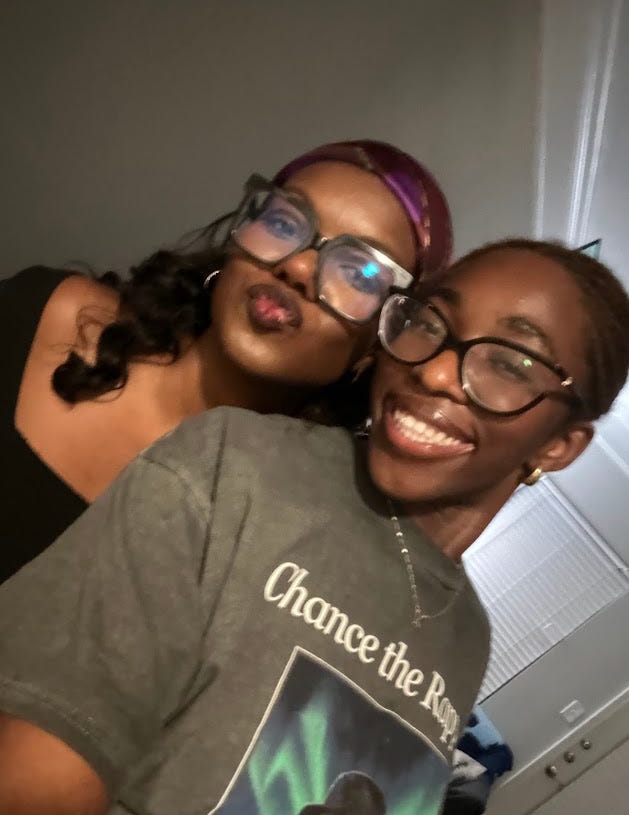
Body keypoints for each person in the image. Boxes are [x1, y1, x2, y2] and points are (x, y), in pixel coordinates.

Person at [1, 238, 627, 815]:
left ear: (558, 445)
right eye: (431, 324)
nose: (434, 370)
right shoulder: (238, 463)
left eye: (511, 365)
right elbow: (38, 771)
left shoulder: (469, 637)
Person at [1, 139, 452, 583]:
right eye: (284, 222)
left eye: (358, 272)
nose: (297, 267)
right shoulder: (58, 316)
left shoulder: (288, 544)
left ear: (377, 345)